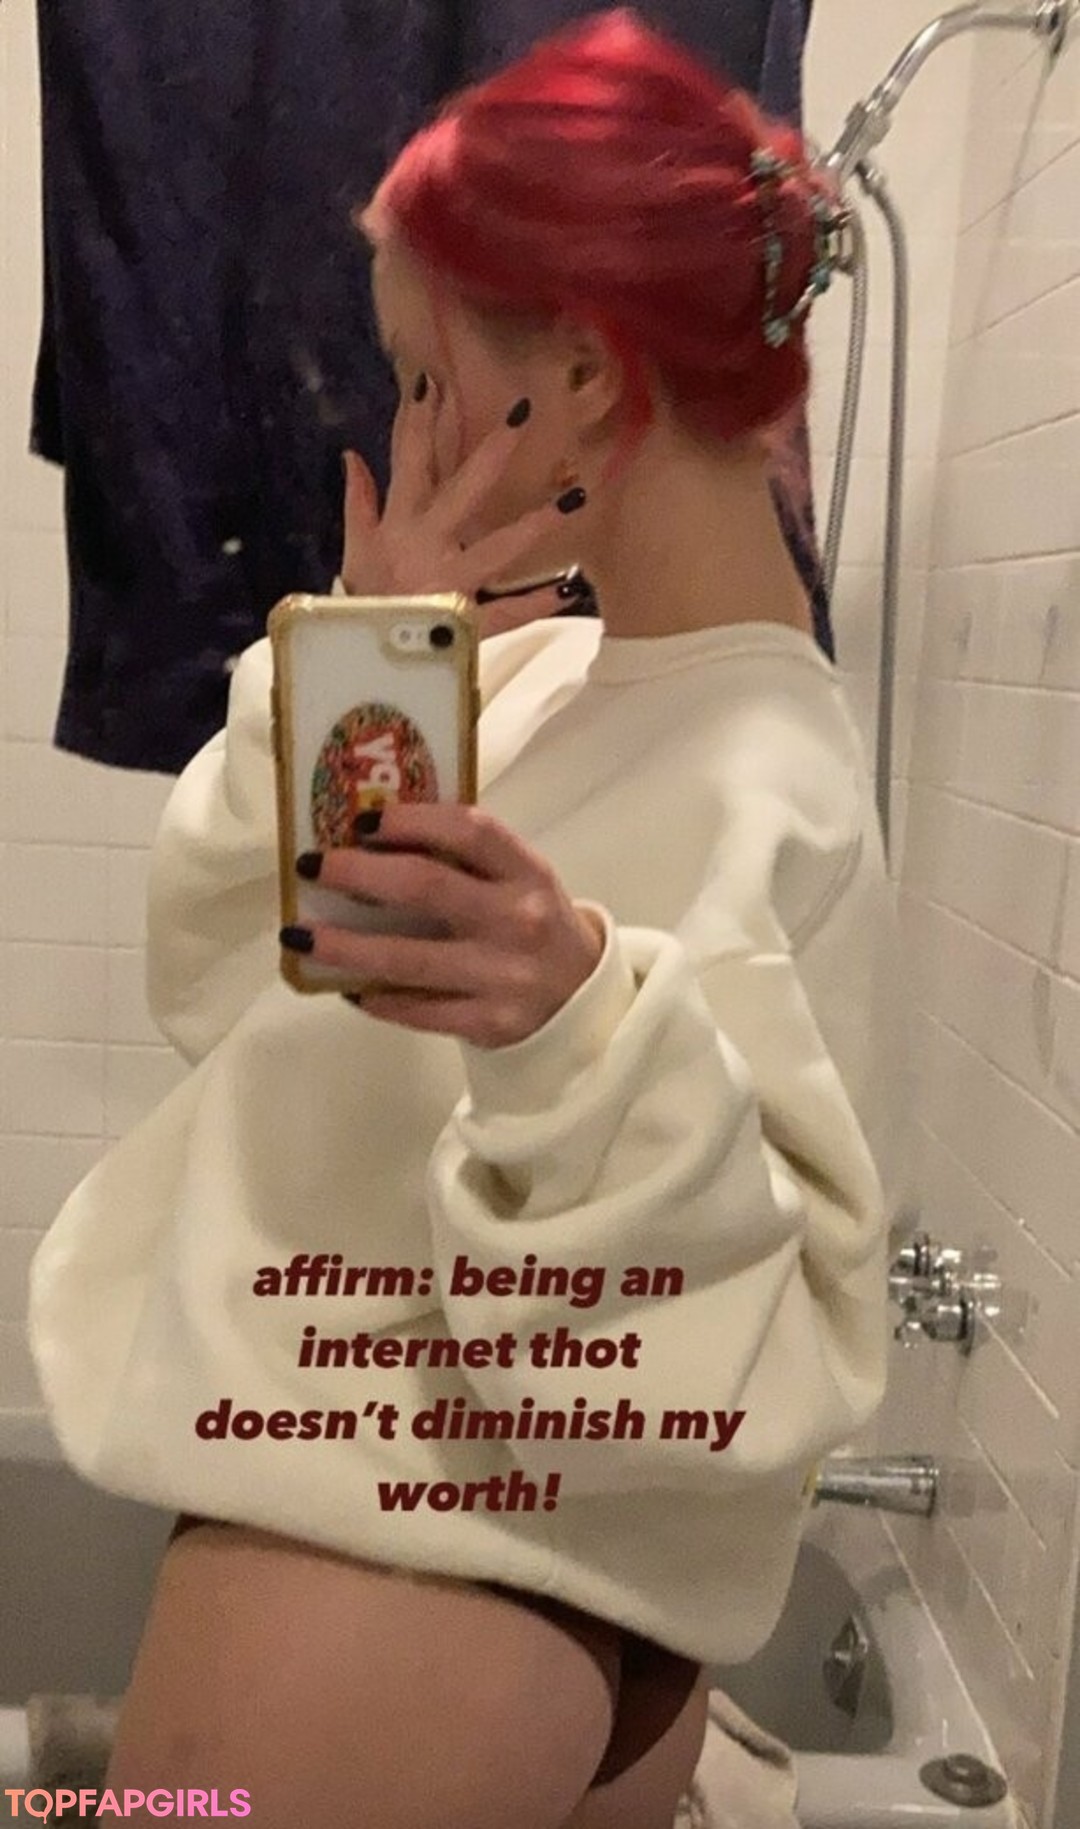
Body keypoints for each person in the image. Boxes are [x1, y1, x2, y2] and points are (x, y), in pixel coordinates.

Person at [28, 10, 909, 1826]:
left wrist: (579, 1028)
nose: (404, 430)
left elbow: (787, 1308)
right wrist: (359, 678)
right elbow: (255, 988)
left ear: (582, 378)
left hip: (398, 1581)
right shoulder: (537, 677)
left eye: (425, 378)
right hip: (492, 1582)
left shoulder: (777, 774)